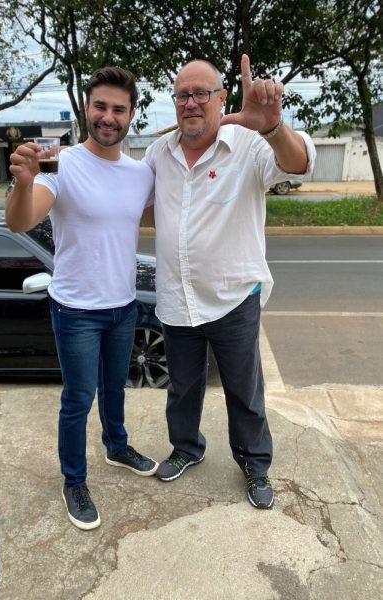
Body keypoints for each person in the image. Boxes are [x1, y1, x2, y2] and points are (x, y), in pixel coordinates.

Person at [145, 55, 316, 509]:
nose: (191, 102)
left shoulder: (249, 144)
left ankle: (255, 463)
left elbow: (298, 164)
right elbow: (141, 205)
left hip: (233, 299)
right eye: (183, 95)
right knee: (182, 387)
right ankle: (186, 448)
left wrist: (273, 127)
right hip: (178, 298)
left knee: (244, 390)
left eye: (202, 93)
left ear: (222, 98)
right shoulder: (158, 153)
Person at [6, 67, 157, 530]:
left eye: (119, 109)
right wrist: (24, 182)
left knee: (115, 388)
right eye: (101, 106)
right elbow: (20, 221)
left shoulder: (140, 173)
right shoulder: (60, 163)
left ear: (131, 115)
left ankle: (117, 446)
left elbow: (172, 214)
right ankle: (74, 480)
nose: (108, 117)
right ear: (86, 108)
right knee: (77, 399)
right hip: (75, 310)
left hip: (123, 305)